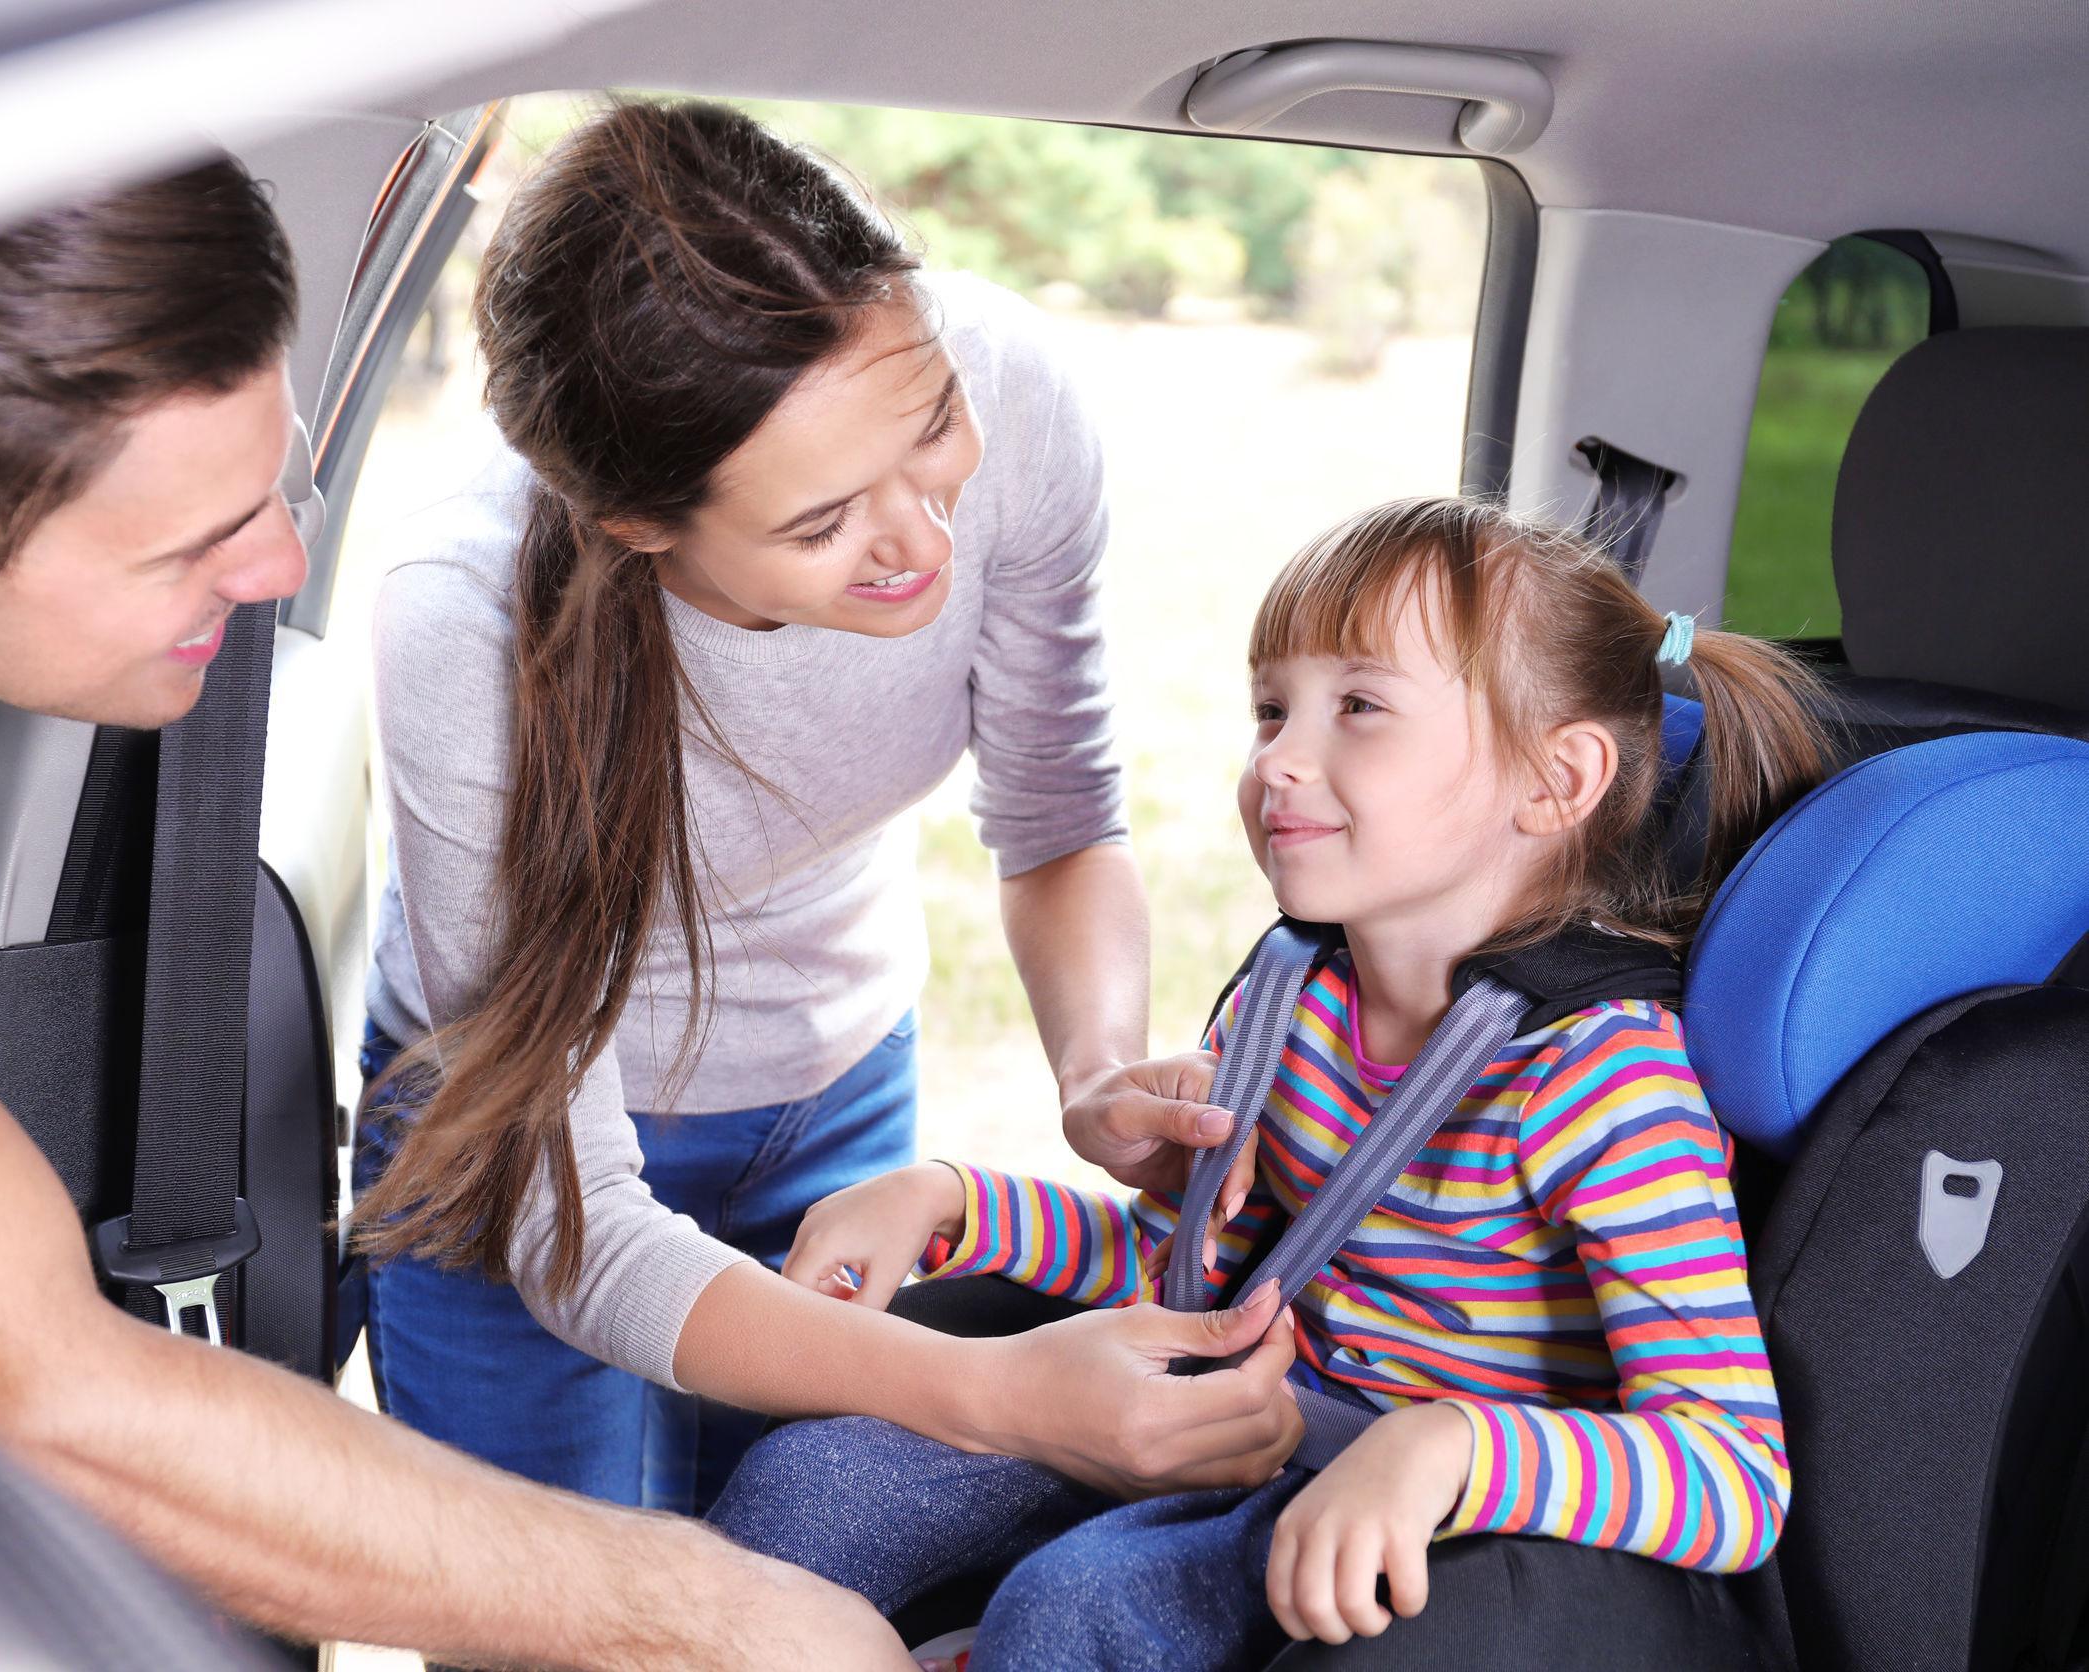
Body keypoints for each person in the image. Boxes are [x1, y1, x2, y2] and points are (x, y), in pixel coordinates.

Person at [0, 154, 920, 1669]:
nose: (283, 563)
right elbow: (35, 1386)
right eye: (192, 542)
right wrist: (711, 1620)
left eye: (274, 483)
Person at [354, 97, 1301, 1520]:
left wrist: (1095, 1074)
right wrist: (1002, 1396)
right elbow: (585, 1229)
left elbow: (1057, 811)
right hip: (523, 1143)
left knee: (802, 1568)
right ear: (640, 526)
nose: (924, 540)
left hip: (835, 1083)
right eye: (819, 523)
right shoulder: (465, 622)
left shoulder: (1017, 393)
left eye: (930, 433)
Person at [709, 496, 1827, 1669]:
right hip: (1229, 1418)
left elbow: (1732, 1471)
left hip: (1399, 1501)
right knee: (813, 1486)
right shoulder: (1292, 1005)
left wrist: (1447, 1447)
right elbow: (1192, 1270)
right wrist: (952, 1202)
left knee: (1078, 1613)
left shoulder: (1602, 1083)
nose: (1281, 760)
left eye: (1359, 709)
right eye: (1271, 709)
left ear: (1555, 782)